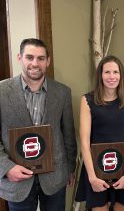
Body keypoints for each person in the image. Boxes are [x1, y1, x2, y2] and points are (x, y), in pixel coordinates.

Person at [0, 38, 77, 211]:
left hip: (55, 177)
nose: (35, 63)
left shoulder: (62, 92)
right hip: (17, 179)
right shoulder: (1, 92)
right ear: (20, 58)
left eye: (41, 58)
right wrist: (6, 168)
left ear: (48, 61)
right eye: (30, 57)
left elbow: (68, 135)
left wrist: (70, 168)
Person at [75, 55, 124, 211]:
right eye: (107, 72)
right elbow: (84, 142)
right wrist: (92, 177)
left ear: (121, 75)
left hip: (123, 168)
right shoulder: (87, 100)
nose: (112, 76)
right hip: (95, 170)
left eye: (116, 72)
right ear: (100, 75)